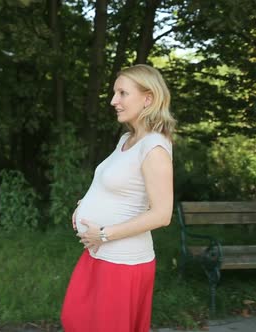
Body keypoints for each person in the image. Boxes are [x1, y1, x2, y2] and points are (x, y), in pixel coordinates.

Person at [60, 64, 176, 332]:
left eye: (123, 93)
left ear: (148, 98)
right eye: (115, 93)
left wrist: (103, 233)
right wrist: (86, 205)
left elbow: (162, 214)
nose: (114, 101)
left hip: (123, 262)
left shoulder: (154, 147)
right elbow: (117, 186)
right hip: (100, 254)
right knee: (75, 320)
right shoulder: (127, 139)